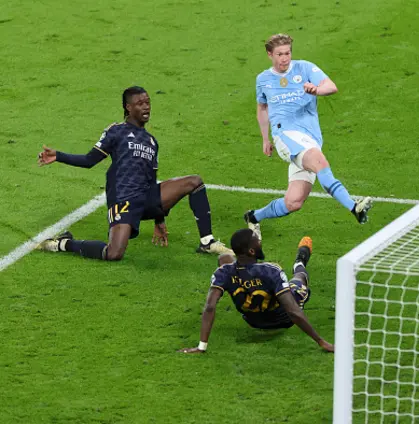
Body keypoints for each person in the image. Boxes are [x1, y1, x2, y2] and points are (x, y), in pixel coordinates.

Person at [36, 86, 232, 260]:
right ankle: (64, 243)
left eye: (148, 102)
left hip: (147, 197)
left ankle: (207, 242)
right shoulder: (116, 131)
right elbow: (89, 161)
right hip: (123, 199)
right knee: (113, 253)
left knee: (194, 182)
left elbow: (152, 180)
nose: (146, 107)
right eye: (140, 103)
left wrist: (159, 219)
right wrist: (58, 155)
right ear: (128, 108)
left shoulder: (152, 141)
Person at [244, 33, 373, 240]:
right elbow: (262, 108)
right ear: (270, 54)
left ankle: (253, 217)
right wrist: (266, 138)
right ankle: (354, 207)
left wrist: (317, 90)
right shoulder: (263, 79)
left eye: (287, 53)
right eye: (279, 54)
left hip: (310, 137)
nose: (285, 58)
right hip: (285, 135)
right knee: (320, 162)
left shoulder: (305, 68)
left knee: (293, 202)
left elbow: (331, 86)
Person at [180, 229, 334, 353]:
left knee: (224, 258)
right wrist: (320, 341)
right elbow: (293, 311)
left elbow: (210, 306)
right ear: (252, 251)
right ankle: (300, 260)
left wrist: (201, 346)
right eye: (257, 241)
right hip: (282, 320)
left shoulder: (223, 273)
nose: (260, 242)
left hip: (254, 321)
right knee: (299, 279)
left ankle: (242, 265)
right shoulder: (271, 270)